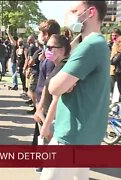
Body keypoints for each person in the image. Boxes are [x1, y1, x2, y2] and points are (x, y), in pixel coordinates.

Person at [41, 1, 109, 179]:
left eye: (74, 11)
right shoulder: (97, 43)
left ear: (91, 12)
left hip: (71, 136)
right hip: (85, 134)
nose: (69, 14)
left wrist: (62, 82)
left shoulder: (90, 46)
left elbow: (54, 87)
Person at [35, 35, 71, 141]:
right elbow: (46, 87)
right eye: (46, 47)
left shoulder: (63, 67)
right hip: (46, 117)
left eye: (50, 47)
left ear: (61, 50)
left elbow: (57, 98)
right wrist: (39, 109)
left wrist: (46, 126)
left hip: (54, 120)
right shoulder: (57, 66)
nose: (47, 50)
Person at [32, 19, 60, 150]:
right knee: (39, 134)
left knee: (45, 135)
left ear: (47, 35)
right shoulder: (48, 56)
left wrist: (40, 107)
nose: (40, 36)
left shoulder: (51, 59)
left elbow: (48, 85)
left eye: (41, 33)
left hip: (45, 104)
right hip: (42, 102)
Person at [23, 35, 38, 113]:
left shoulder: (31, 48)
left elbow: (29, 60)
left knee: (31, 90)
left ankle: (35, 107)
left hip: (33, 71)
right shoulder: (36, 48)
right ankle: (34, 103)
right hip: (35, 70)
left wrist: (25, 68)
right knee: (32, 89)